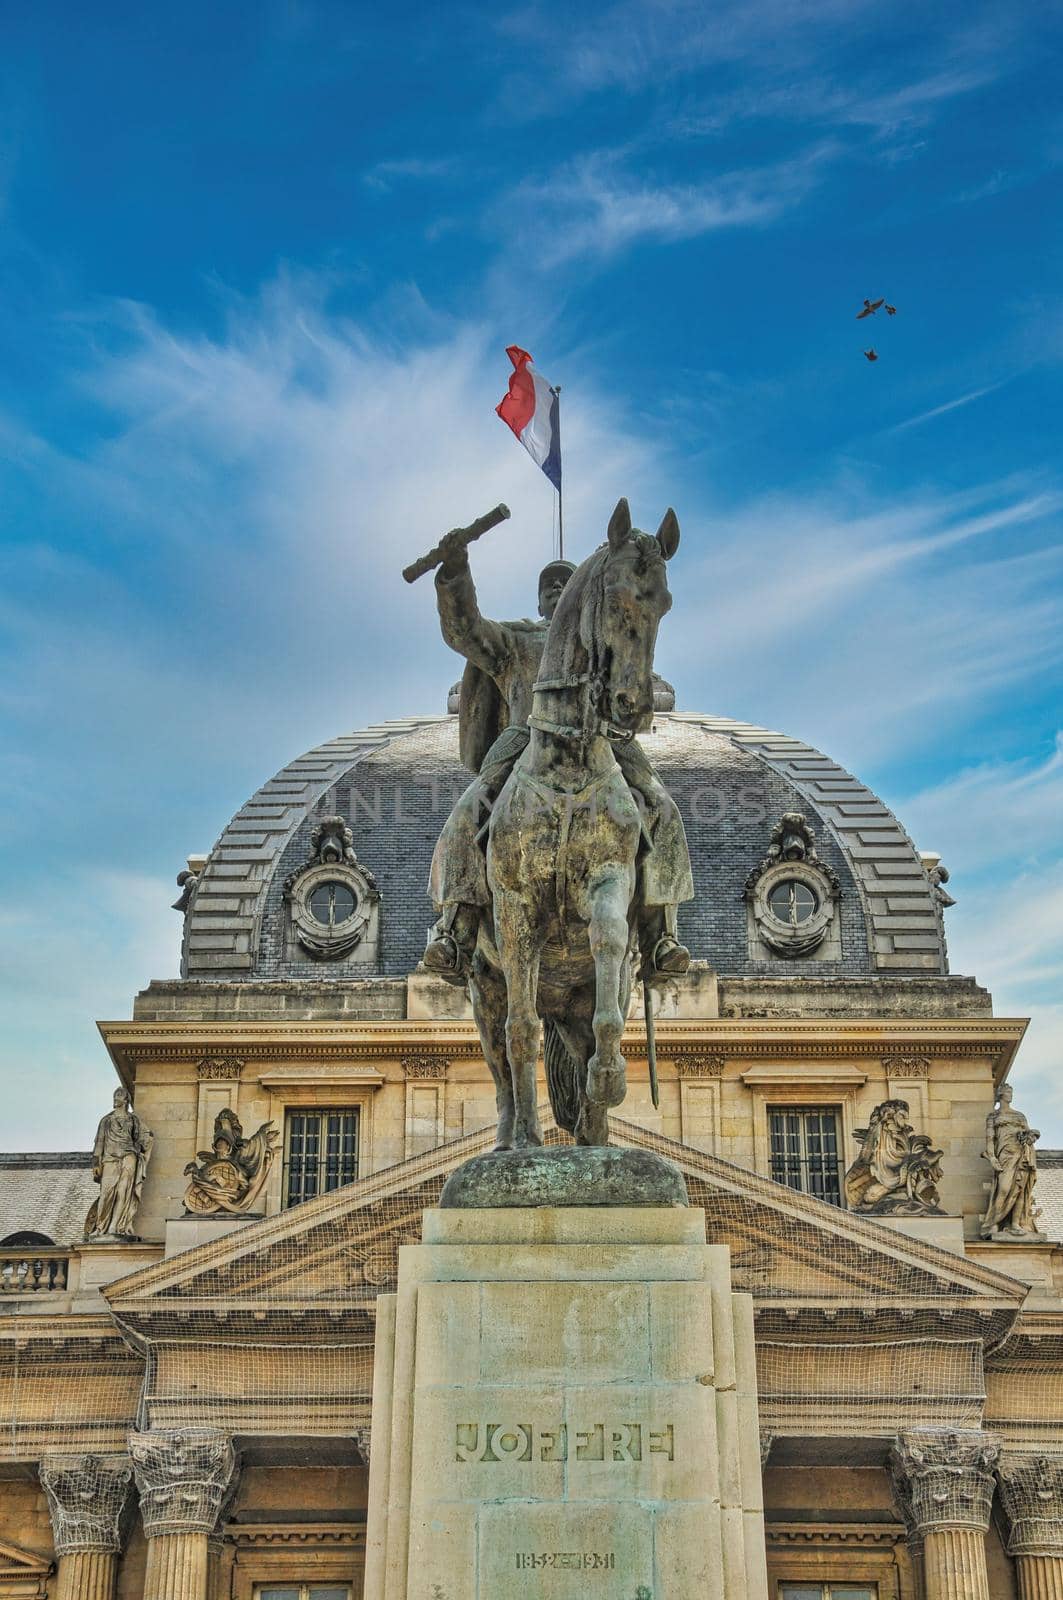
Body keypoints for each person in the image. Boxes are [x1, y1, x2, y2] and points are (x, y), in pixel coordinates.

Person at [423, 532, 693, 985]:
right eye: (548, 584)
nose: (556, 589)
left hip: (604, 740)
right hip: (523, 743)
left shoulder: (604, 642)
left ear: (584, 595)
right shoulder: (516, 641)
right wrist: (454, 573)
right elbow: (464, 630)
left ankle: (659, 933)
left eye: (564, 583)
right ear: (542, 600)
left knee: (660, 806)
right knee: (468, 812)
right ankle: (458, 925)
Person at [84, 1087, 153, 1239]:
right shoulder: (106, 1120)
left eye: (120, 1095)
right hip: (110, 1158)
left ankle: (116, 1226)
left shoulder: (133, 1120)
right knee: (106, 1194)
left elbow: (146, 1137)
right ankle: (102, 1227)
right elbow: (99, 1143)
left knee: (124, 1192)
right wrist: (96, 1163)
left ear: (126, 1099)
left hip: (129, 1157)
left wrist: (142, 1144)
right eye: (115, 1095)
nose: (116, 1097)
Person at [981, 1084, 1041, 1238]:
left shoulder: (1019, 1116)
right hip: (1004, 1155)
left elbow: (1028, 1134)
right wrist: (992, 1157)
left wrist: (1030, 1136)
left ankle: (1015, 1223)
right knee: (1004, 1188)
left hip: (1021, 1153)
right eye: (1008, 1092)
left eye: (1011, 1092)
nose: (1010, 1095)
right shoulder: (993, 1117)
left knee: (1019, 1189)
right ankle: (993, 1223)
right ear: (1001, 1094)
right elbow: (990, 1139)